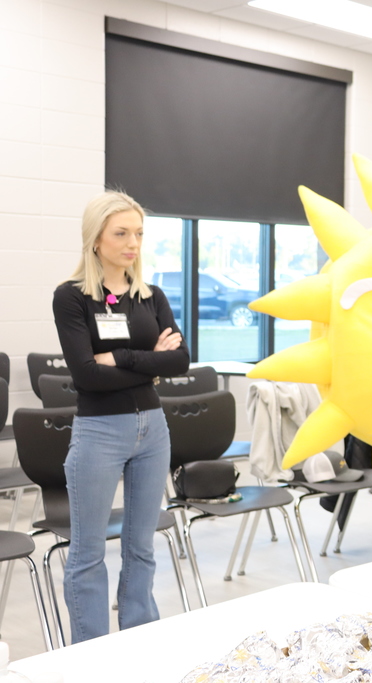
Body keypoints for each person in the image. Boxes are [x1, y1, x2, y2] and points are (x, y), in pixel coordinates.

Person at [52, 190, 190, 643]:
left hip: (154, 431)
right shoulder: (71, 298)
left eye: (139, 233)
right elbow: (87, 377)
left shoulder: (151, 296)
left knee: (141, 548)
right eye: (122, 233)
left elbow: (180, 362)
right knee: (88, 553)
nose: (133, 243)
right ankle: (89, 657)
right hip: (99, 433)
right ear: (96, 239)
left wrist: (119, 358)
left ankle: (138, 645)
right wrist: (147, 361)